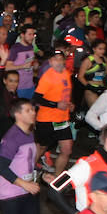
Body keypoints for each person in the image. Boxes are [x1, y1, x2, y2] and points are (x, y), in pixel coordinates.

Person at [33, 49, 75, 177]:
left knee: (67, 150)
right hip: (46, 119)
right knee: (41, 148)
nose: (58, 62)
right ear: (50, 62)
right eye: (55, 59)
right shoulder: (47, 78)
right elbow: (37, 98)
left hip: (62, 119)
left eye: (61, 59)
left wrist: (69, 103)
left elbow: (64, 93)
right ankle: (28, 172)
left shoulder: (66, 73)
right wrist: (56, 105)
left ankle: (57, 178)